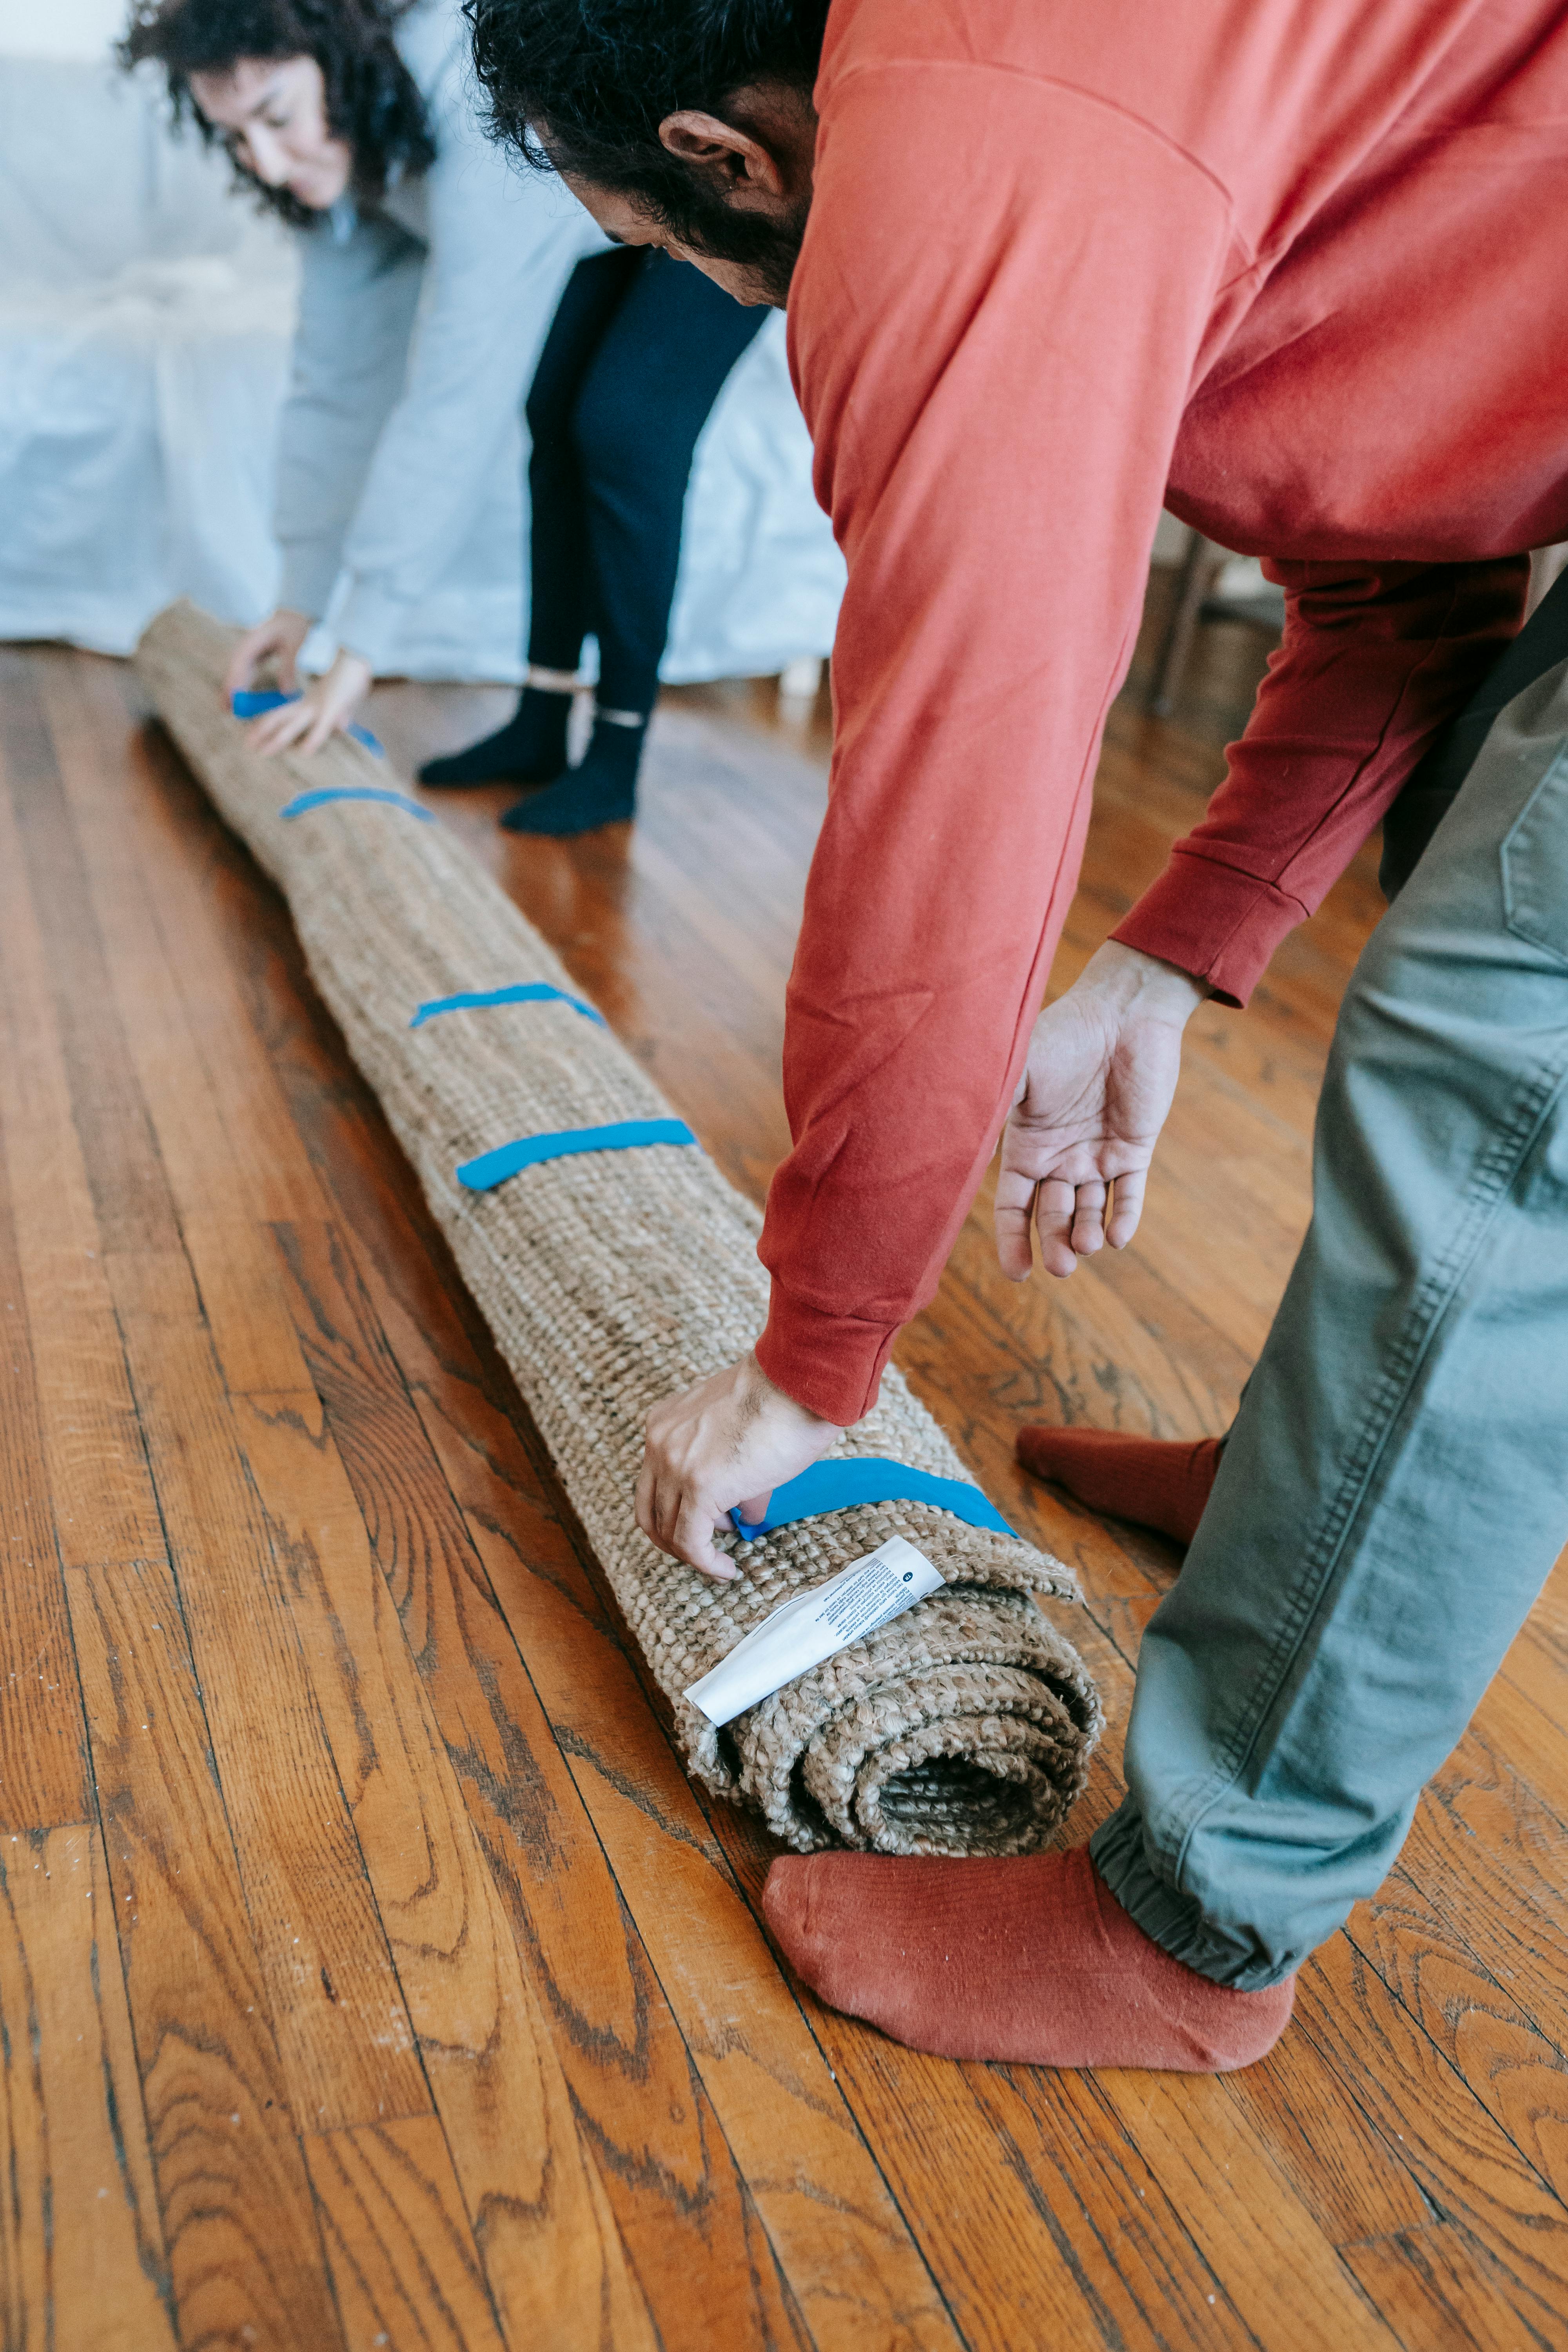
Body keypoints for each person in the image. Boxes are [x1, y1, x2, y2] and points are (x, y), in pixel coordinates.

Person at [463, 0, 1568, 2073]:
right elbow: (1412, 577)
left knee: (1509, 1053)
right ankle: (1314, 1504)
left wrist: (812, 1361)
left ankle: (1195, 1930)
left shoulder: (951, 137)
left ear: (730, 153)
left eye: (678, 254)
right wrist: (1168, 957)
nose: (713, 301)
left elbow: (959, 773)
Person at [123, 0, 601, 760]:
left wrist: (360, 652)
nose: (268, 164)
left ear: (337, 62)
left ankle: (611, 749)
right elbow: (337, 383)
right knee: (565, 422)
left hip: (695, 195)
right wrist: (299, 601)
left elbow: (457, 389)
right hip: (581, 219)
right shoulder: (352, 140)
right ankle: (543, 732)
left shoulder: (474, 109)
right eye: (236, 137)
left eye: (276, 117)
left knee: (619, 429)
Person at [416, 246, 767, 833]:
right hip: (642, 169)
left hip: (738, 176)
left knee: (630, 428)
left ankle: (616, 753)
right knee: (552, 404)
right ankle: (541, 718)